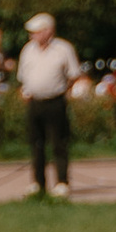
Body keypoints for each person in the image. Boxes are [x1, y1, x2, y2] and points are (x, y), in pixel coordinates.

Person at [18, 11, 78, 199]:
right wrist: (26, 90)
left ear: (48, 31)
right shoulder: (28, 50)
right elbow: (23, 76)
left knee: (58, 142)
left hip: (55, 101)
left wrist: (64, 91)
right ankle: (38, 183)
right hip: (35, 101)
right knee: (36, 143)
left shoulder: (63, 49)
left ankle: (61, 182)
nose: (33, 36)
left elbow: (73, 74)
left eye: (36, 31)